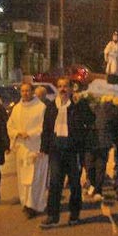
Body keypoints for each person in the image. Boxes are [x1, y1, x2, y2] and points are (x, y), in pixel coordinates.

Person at [39, 77, 95, 228]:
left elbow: (90, 120)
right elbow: (46, 129)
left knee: (75, 185)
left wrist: (81, 103)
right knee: (55, 183)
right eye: (60, 86)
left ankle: (74, 214)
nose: (62, 89)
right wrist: (44, 148)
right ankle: (52, 216)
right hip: (56, 151)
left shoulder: (77, 105)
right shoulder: (52, 107)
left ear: (71, 88)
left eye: (65, 86)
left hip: (73, 151)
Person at [7, 83, 48, 219]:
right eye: (23, 91)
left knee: (35, 178)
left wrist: (30, 133)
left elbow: (44, 126)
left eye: (27, 91)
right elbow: (10, 126)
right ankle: (26, 203)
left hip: (36, 148)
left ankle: (35, 205)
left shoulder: (41, 108)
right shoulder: (17, 108)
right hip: (22, 149)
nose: (25, 93)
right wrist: (18, 133)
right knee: (23, 179)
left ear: (32, 92)